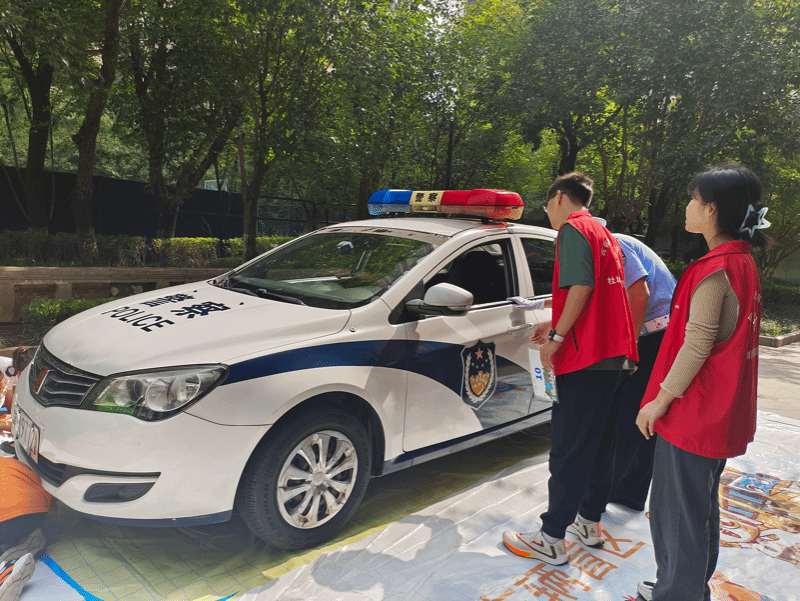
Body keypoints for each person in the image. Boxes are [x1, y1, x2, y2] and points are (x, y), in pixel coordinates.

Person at [635, 164, 768, 601]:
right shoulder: (742, 262)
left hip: (693, 412)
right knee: (697, 510)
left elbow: (697, 343)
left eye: (693, 199)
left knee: (677, 515)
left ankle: (677, 593)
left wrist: (659, 400)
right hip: (718, 412)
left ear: (711, 210)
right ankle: (685, 588)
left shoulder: (716, 269)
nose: (687, 207)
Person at [502, 172, 638, 565]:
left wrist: (557, 337)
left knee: (569, 448)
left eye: (547, 205)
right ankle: (589, 523)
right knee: (600, 444)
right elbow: (598, 296)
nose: (548, 213)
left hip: (587, 357)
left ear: (559, 197)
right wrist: (556, 321)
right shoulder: (604, 234)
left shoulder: (573, 230)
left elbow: (582, 287)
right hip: (614, 356)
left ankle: (550, 538)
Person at [593, 230, 677, 513]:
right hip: (656, 333)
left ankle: (609, 494)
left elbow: (639, 296)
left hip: (654, 335)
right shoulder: (604, 247)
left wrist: (629, 348)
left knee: (628, 414)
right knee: (639, 414)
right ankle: (627, 493)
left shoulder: (614, 245)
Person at [0, 457, 51, 601]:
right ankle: (27, 538)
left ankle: (7, 569)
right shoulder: (12, 463)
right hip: (35, 514)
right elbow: (53, 510)